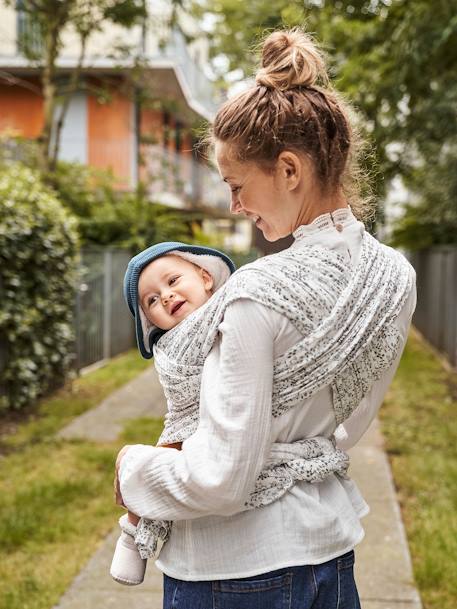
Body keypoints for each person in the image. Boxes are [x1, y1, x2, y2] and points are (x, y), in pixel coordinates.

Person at [114, 28, 417, 609]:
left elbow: (221, 479)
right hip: (329, 554)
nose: (234, 206)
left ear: (288, 170)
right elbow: (345, 427)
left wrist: (132, 468)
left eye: (236, 185)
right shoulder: (394, 276)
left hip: (233, 568)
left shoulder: (257, 293)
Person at [110, 241, 236, 585]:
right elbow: (181, 398)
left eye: (173, 281)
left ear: (206, 277)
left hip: (231, 415)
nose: (165, 296)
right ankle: (132, 533)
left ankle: (133, 533)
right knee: (157, 463)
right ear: (149, 320)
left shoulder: (237, 309)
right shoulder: (171, 346)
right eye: (151, 300)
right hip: (185, 422)